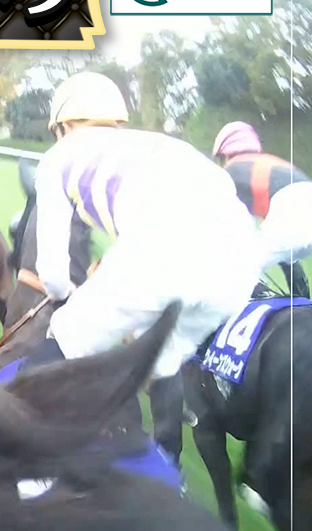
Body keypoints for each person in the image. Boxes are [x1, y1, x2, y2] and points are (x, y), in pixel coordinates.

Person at [31, 72, 266, 465]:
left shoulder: (57, 157)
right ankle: (158, 464)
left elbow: (53, 273)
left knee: (62, 341)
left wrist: (66, 296)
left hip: (164, 249)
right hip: (239, 263)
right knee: (159, 361)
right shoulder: (159, 144)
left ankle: (33, 471)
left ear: (64, 125)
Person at [212, 121, 312, 299]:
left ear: (226, 153)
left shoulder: (233, 169)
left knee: (236, 265)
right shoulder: (269, 162)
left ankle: (259, 296)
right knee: (283, 251)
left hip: (293, 217)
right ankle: (301, 296)